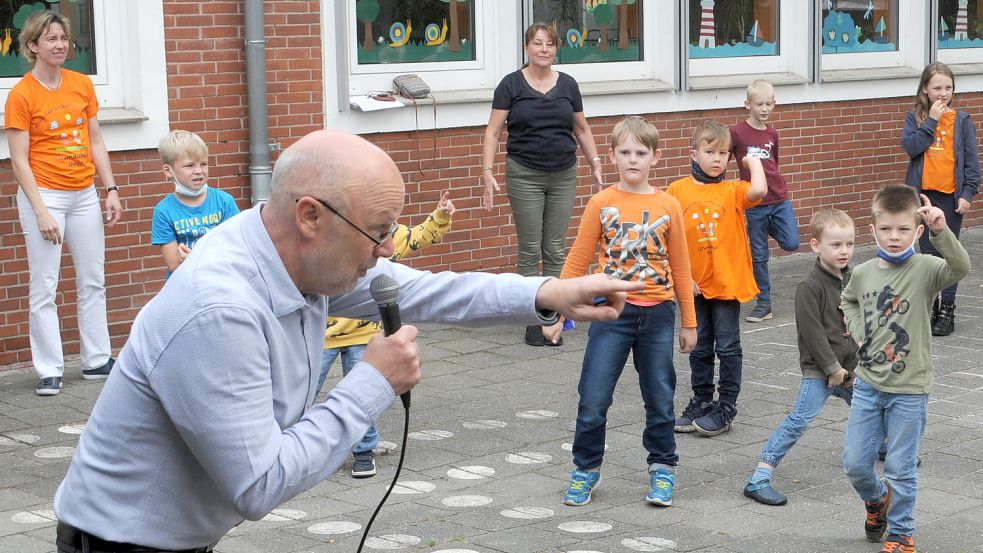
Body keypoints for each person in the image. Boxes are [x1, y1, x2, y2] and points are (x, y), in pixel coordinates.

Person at [52, 130, 643, 553]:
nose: (387, 249)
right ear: (310, 216)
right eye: (378, 231)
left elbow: (426, 291)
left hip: (171, 535)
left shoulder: (295, 258)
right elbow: (259, 483)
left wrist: (549, 292)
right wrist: (371, 383)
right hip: (121, 541)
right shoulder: (220, 309)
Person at [546, 116, 697, 508]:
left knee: (661, 397)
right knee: (593, 397)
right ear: (612, 156)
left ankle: (663, 467)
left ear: (656, 158)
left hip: (659, 315)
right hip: (610, 314)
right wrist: (558, 314)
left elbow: (681, 266)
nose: (633, 159)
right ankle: (585, 469)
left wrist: (690, 323)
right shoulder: (601, 202)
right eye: (625, 152)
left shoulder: (669, 205)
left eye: (641, 153)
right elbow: (577, 260)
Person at [841, 185, 970, 553]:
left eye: (902, 229)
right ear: (873, 230)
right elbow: (847, 299)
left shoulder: (926, 268)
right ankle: (877, 500)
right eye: (886, 229)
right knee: (854, 464)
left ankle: (900, 533)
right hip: (867, 385)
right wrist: (856, 326)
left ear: (916, 231)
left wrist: (941, 231)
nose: (894, 237)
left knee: (900, 467)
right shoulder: (863, 273)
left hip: (910, 389)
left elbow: (961, 267)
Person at [5, 10, 122, 397]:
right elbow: (18, 159)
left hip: (84, 194)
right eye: (50, 39)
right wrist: (40, 209)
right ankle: (49, 368)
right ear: (33, 45)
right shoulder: (22, 94)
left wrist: (111, 189)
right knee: (45, 285)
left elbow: (95, 141)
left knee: (92, 279)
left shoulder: (80, 84)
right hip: (46, 196)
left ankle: (95, 360)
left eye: (63, 38)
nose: (60, 45)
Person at [481, 22, 605, 347]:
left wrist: (595, 163)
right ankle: (530, 318)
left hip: (563, 173)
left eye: (550, 44)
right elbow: (493, 131)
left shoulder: (568, 84)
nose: (544, 50)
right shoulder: (510, 85)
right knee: (529, 248)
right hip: (524, 173)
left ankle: (553, 316)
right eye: (538, 44)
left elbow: (581, 128)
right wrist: (487, 170)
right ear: (527, 47)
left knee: (554, 248)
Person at [316, 191, 456, 478]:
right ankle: (296, 449)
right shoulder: (332, 236)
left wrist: (440, 216)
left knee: (365, 393)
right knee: (302, 392)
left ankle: (364, 451)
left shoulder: (384, 235)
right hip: (323, 337)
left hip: (363, 336)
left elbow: (417, 237)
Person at [743, 208, 857, 506]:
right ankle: (758, 478)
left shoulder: (854, 279)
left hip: (852, 369)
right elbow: (812, 332)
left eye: (849, 244)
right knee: (798, 421)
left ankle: (882, 447)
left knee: (874, 409)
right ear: (817, 245)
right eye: (836, 244)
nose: (844, 251)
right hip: (822, 371)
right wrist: (832, 368)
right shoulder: (810, 286)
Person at [666, 120, 765, 437]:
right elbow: (665, 238)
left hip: (726, 284)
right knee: (700, 347)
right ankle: (702, 401)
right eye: (710, 152)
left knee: (729, 347)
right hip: (694, 286)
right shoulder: (677, 191)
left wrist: (752, 162)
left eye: (724, 153)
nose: (718, 158)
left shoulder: (733, 190)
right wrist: (678, 277)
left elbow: (760, 189)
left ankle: (727, 406)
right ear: (693, 154)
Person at [901, 61, 979, 336]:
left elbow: (971, 161)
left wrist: (968, 193)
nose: (943, 93)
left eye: (948, 87)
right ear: (925, 89)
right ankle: (930, 304)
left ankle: (947, 308)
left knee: (948, 251)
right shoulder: (915, 119)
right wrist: (932, 120)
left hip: (950, 198)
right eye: (937, 88)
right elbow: (911, 148)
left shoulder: (962, 120)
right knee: (927, 253)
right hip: (923, 196)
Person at [730, 79, 800, 323]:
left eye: (769, 104)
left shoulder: (772, 133)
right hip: (755, 204)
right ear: (747, 104)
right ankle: (764, 303)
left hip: (779, 198)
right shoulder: (737, 133)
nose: (764, 109)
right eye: (759, 104)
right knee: (759, 255)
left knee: (792, 242)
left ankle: (773, 225)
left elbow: (774, 163)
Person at [151, 130, 240, 276]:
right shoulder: (163, 211)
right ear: (168, 171)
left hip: (223, 281)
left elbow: (237, 248)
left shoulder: (224, 201)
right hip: (185, 286)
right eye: (189, 165)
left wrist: (194, 260)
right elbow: (174, 264)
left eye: (203, 164)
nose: (199, 171)